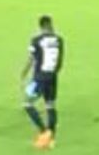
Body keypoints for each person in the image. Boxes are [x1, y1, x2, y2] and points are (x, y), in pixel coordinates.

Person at [20, 15, 63, 149]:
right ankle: (51, 139)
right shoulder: (59, 40)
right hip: (53, 76)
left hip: (39, 78)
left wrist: (23, 73)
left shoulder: (36, 40)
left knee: (27, 103)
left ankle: (44, 131)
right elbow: (60, 62)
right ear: (50, 24)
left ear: (41, 26)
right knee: (50, 105)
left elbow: (31, 59)